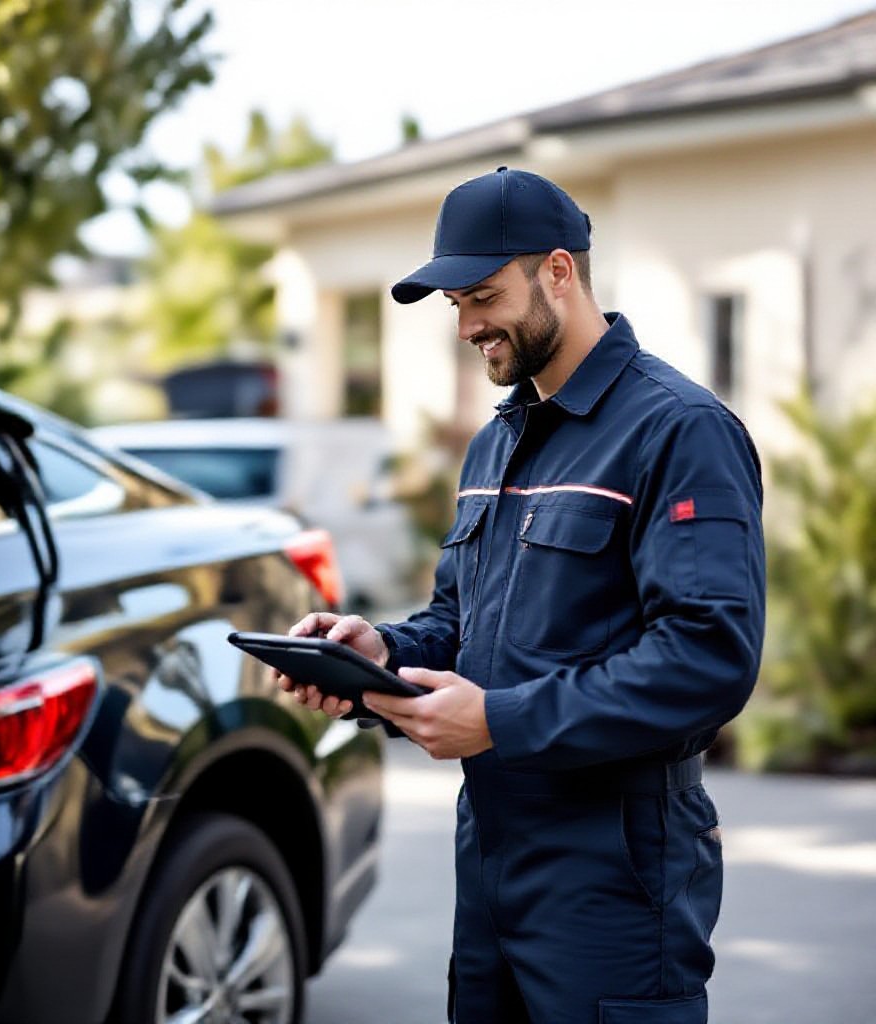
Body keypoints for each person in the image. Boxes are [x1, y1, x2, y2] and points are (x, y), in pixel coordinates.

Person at [278, 166, 765, 1024]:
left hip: (617, 865)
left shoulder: (678, 430)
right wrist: (380, 655)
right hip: (493, 855)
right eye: (455, 306)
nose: (467, 327)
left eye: (482, 297)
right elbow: (459, 625)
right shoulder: (494, 445)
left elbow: (707, 657)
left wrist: (501, 721)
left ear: (558, 272)